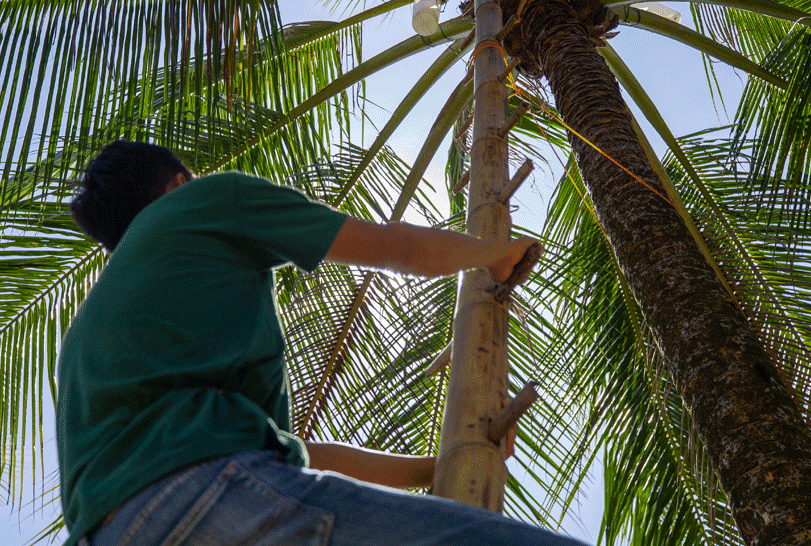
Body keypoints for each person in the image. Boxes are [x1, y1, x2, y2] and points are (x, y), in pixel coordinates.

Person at [59, 140, 586, 546]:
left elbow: (297, 458)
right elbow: (397, 247)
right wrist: (496, 253)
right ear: (178, 183)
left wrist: (431, 468)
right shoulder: (201, 201)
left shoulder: (92, 330)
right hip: (203, 496)